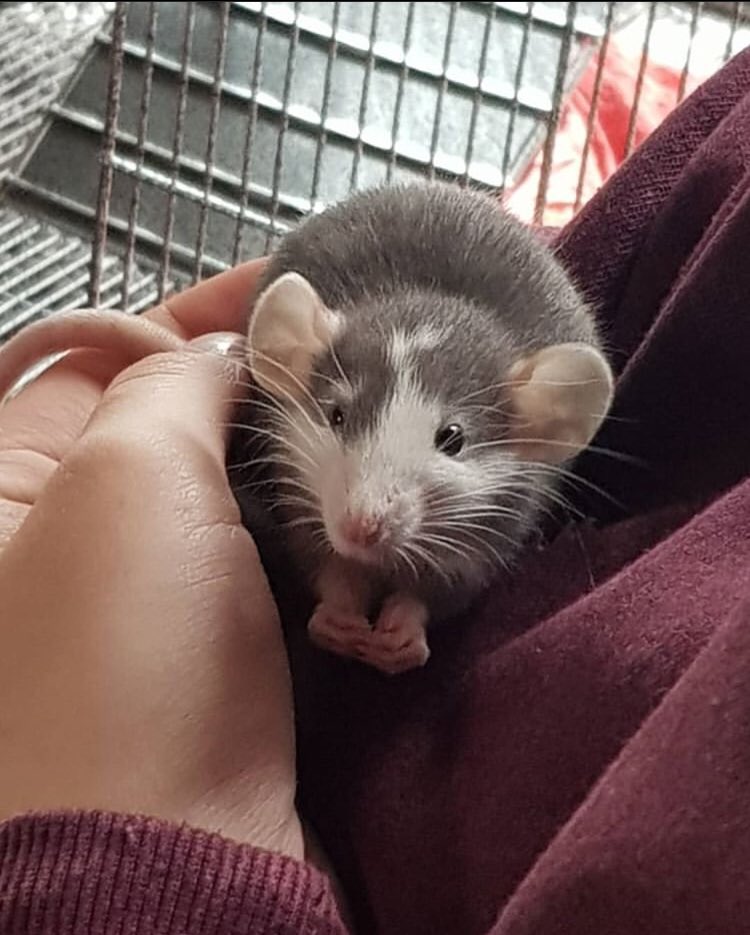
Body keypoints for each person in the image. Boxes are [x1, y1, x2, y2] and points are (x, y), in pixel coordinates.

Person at [3, 47, 750, 935]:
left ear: (532, 424)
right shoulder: (289, 402)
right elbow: (310, 509)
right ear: (297, 365)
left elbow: (479, 555)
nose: (367, 510)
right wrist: (331, 586)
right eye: (342, 419)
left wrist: (420, 610)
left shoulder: (525, 448)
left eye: (447, 442)